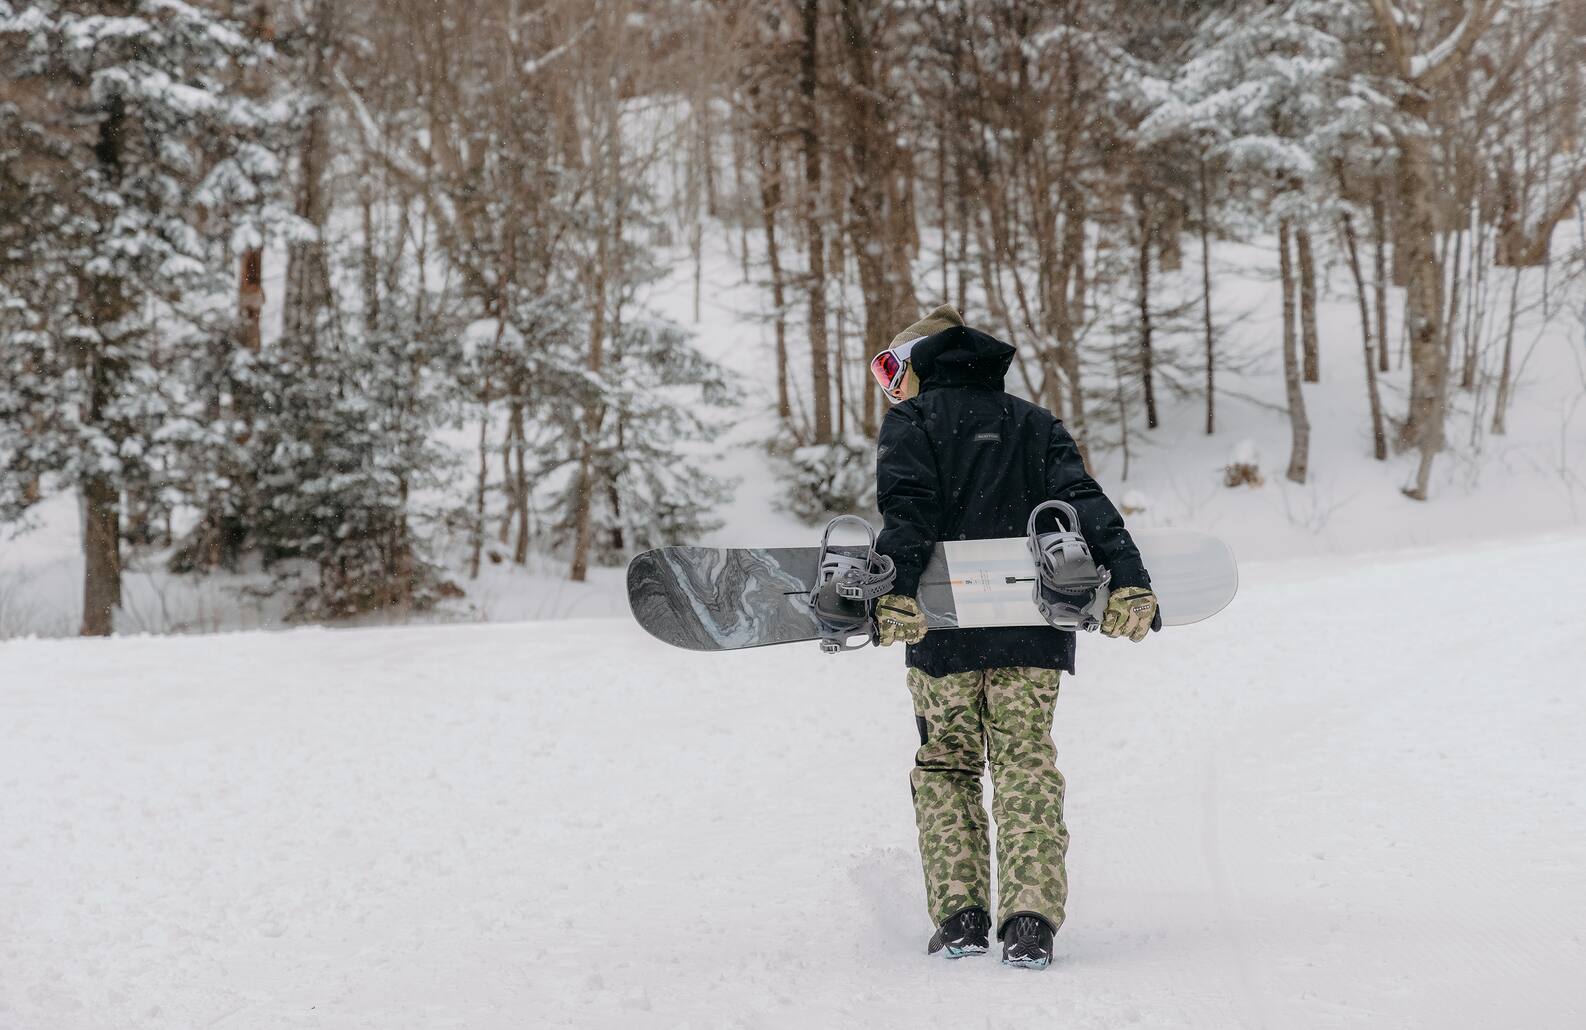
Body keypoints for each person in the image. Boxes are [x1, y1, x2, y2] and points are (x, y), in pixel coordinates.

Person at [868, 304, 1157, 970]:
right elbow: (1084, 502)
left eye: (893, 370)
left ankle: (961, 919)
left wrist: (897, 590)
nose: (891, 388)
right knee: (1025, 760)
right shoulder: (1034, 422)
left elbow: (909, 511)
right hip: (1034, 630)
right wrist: (1130, 579)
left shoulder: (912, 423)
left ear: (919, 363)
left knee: (948, 764)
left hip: (942, 635)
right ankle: (1030, 923)